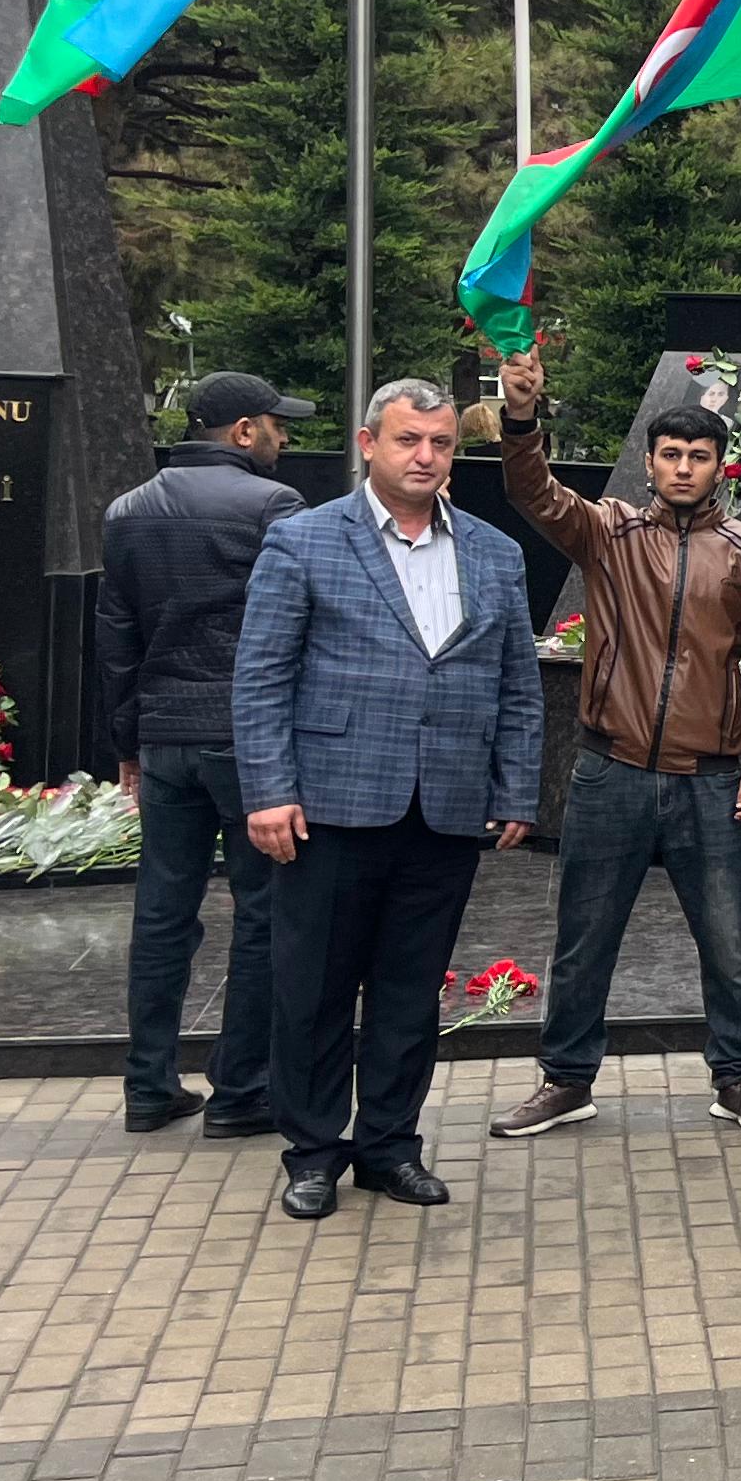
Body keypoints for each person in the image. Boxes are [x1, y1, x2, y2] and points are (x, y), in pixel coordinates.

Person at [231, 378, 541, 1218]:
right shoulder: (304, 541)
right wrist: (269, 791)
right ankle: (312, 1152)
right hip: (330, 806)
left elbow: (517, 683)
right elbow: (261, 678)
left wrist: (516, 786)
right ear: (369, 445)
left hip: (445, 807)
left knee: (410, 992)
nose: (425, 457)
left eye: (440, 443)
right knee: (315, 990)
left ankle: (390, 1148)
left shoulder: (493, 552)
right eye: (408, 440)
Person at [490, 350, 741, 1136]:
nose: (684, 467)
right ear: (651, 462)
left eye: (698, 455)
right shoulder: (609, 532)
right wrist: (521, 416)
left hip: (712, 778)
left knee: (729, 944)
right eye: (671, 455)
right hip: (611, 770)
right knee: (584, 938)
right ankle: (566, 1081)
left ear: (720, 465)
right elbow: (532, 491)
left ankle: (738, 1078)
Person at [96, 371, 308, 1136]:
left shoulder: (127, 511)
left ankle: (148, 1086)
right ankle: (240, 1092)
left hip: (164, 740)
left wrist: (128, 742)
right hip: (250, 746)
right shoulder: (275, 506)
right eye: (276, 423)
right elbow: (298, 627)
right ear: (244, 431)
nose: (284, 436)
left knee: (162, 912)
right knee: (264, 913)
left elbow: (116, 638)